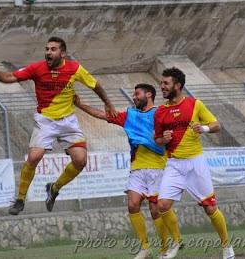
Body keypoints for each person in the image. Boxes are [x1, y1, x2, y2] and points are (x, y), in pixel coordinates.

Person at [0, 36, 117, 215]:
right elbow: (9, 77)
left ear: (62, 53)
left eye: (53, 49)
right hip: (45, 121)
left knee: (80, 161)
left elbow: (96, 85)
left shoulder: (74, 68)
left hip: (68, 121)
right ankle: (20, 199)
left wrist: (108, 104)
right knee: (33, 157)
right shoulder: (37, 68)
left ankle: (54, 188)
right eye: (47, 49)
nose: (48, 52)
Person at [74, 83, 181, 259]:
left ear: (148, 95)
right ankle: (145, 248)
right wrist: (79, 104)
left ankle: (164, 249)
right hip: (137, 168)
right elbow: (102, 115)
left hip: (158, 168)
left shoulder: (161, 112)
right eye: (133, 94)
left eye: (137, 94)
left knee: (156, 211)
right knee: (132, 205)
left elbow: (175, 131)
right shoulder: (130, 115)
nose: (134, 97)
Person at [154, 67, 235, 259]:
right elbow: (156, 139)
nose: (162, 86)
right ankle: (176, 243)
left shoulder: (195, 104)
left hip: (195, 163)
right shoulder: (160, 112)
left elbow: (216, 125)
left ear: (178, 85)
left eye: (166, 83)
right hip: (174, 164)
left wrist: (204, 128)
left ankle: (226, 246)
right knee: (162, 205)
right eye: (162, 82)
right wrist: (163, 139)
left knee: (210, 208)